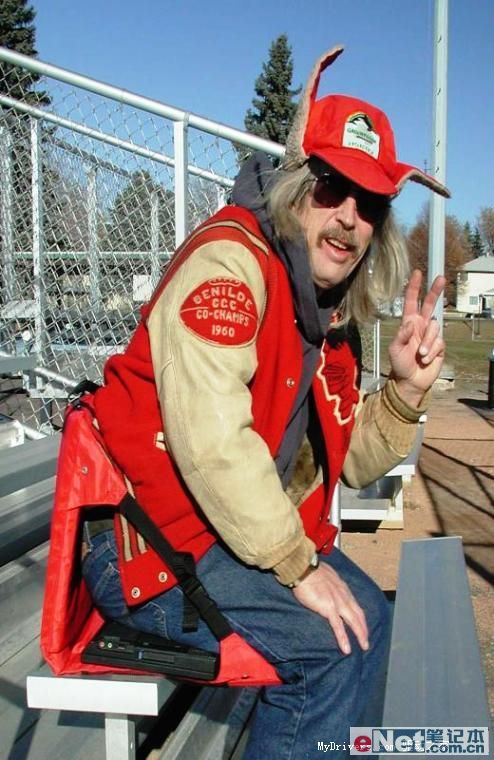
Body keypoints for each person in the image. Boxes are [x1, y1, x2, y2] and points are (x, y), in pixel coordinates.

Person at [81, 47, 449, 758]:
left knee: (371, 621)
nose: (348, 218)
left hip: (221, 532)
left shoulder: (328, 311)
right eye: (332, 188)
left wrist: (404, 392)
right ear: (296, 186)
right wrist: (298, 565)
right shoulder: (229, 265)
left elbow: (346, 462)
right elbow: (213, 443)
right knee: (329, 652)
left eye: (370, 203)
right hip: (148, 545)